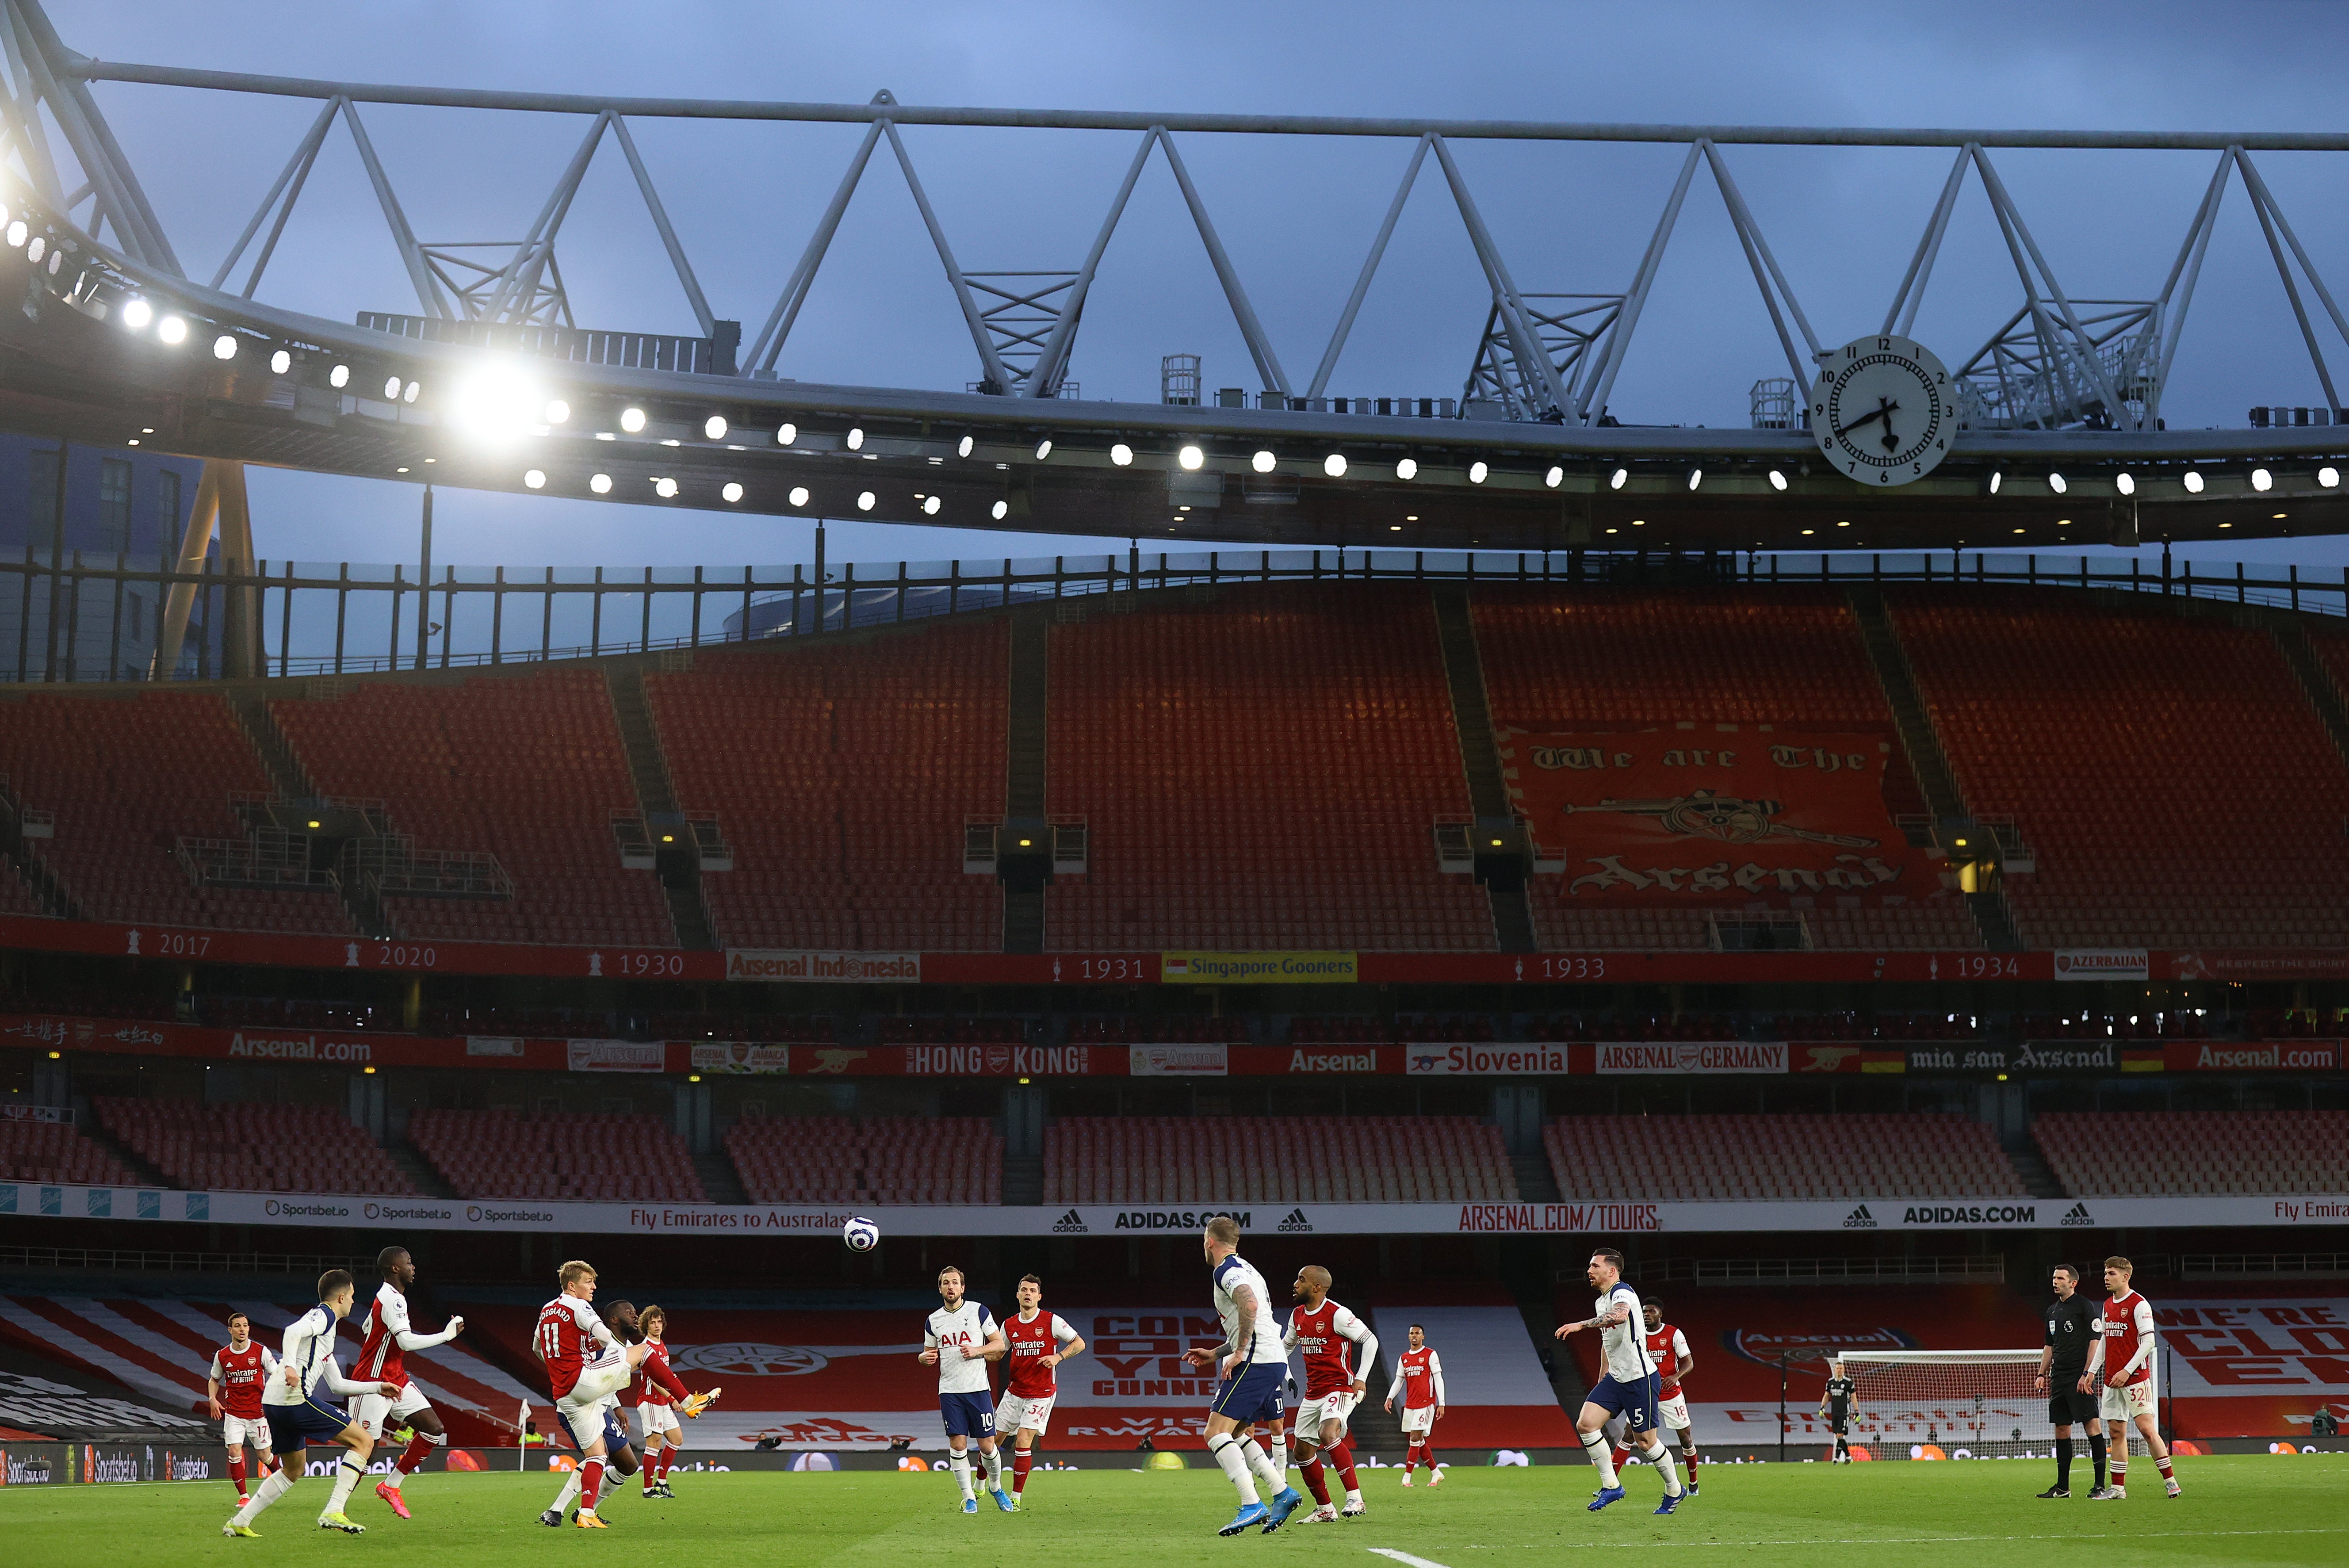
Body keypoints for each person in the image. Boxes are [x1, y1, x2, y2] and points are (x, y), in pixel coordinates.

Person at [221, 1269, 402, 1538]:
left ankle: (240, 1521)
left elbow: (337, 1385)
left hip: (273, 1402)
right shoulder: (325, 1315)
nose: (354, 1301)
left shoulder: (324, 1332)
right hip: (294, 1399)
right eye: (352, 1296)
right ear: (341, 1297)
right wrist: (291, 1367)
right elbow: (292, 1331)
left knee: (293, 1470)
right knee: (364, 1442)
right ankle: (334, 1509)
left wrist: (378, 1387)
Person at [1180, 1216, 1306, 1536]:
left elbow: (1248, 1304)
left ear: (1210, 1241)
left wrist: (1240, 1352)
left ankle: (1252, 1503)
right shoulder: (1250, 1269)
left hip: (1256, 1360)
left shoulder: (1225, 1270)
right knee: (1236, 1433)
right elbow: (1256, 1315)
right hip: (1271, 1359)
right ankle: (1282, 1491)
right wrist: (1218, 1352)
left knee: (1214, 1432)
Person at [1555, 1248, 1684, 1515]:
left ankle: (1675, 1489)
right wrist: (1604, 1371)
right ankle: (1612, 1486)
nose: (1589, 1271)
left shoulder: (1621, 1292)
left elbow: (1620, 1315)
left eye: (1594, 1266)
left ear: (1611, 1271)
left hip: (1641, 1379)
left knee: (1646, 1442)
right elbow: (1608, 1340)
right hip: (1616, 1378)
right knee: (1586, 1424)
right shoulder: (1600, 1301)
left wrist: (1580, 1325)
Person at [532, 1261, 658, 1528]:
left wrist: (617, 1406)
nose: (634, 1317)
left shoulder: (552, 1313)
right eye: (630, 1312)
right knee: (601, 1457)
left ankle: (572, 1511)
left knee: (620, 1463)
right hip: (582, 1401)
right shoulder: (592, 1333)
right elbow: (595, 1375)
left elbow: (600, 1378)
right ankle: (572, 1510)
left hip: (591, 1400)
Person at [352, 1246, 465, 1519]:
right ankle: (335, 1507)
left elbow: (369, 1329)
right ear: (395, 1268)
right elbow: (405, 1341)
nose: (413, 1267)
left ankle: (390, 1486)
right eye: (409, 1263)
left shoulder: (389, 1298)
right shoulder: (393, 1299)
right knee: (365, 1453)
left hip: (396, 1379)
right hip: (371, 1383)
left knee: (433, 1428)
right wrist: (446, 1336)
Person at [1284, 1265, 1376, 1521]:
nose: (1295, 1284)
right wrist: (1287, 1376)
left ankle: (1355, 1499)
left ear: (1317, 1287)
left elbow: (1370, 1341)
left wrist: (1361, 1379)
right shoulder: (1297, 1316)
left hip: (1340, 1387)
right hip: (1313, 1392)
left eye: (1301, 1280)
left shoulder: (1337, 1314)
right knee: (1301, 1452)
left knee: (1328, 1432)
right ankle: (1325, 1509)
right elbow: (1284, 1348)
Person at [919, 1264, 1013, 1514]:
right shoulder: (933, 1321)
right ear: (940, 1289)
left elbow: (1000, 1345)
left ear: (963, 1288)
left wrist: (977, 1351)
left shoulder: (978, 1311)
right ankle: (969, 1498)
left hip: (978, 1389)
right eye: (946, 1283)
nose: (951, 1287)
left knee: (987, 1446)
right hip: (950, 1391)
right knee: (958, 1445)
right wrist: (923, 1358)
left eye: (954, 1283)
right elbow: (928, 1353)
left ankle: (996, 1487)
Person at [2086, 1255, 2179, 1500]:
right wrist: (2092, 1371)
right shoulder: (2107, 1305)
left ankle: (2170, 1481)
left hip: (2135, 1377)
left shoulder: (2139, 1304)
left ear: (2126, 1276)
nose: (2106, 1278)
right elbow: (2105, 1341)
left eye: (2112, 1273)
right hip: (2111, 1380)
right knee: (2116, 1432)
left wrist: (2127, 1370)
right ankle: (2118, 1488)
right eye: (2105, 1273)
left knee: (2147, 1430)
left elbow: (2149, 1341)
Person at [997, 1274, 1084, 1511]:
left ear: (1039, 1296)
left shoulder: (1051, 1321)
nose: (1028, 1293)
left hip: (1042, 1393)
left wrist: (1059, 1356)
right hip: (1014, 1392)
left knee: (1023, 1442)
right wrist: (974, 1353)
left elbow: (1079, 1343)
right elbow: (998, 1353)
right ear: (1017, 1295)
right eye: (1023, 1289)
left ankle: (1015, 1497)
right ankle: (980, 1487)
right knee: (992, 1443)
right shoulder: (1009, 1325)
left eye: (1032, 1290)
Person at [1611, 1304, 1699, 1496]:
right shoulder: (1638, 1334)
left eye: (1651, 1311)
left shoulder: (1673, 1333)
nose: (1647, 1315)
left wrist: (1675, 1377)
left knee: (1685, 1438)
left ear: (1661, 1313)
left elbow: (1689, 1362)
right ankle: (1610, 1483)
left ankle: (1694, 1484)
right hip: (1645, 1394)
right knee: (1628, 1435)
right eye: (1644, 1312)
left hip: (1671, 1394)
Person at [2034, 1263, 2104, 1498]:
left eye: (2060, 1278)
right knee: (2062, 1430)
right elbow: (2049, 1345)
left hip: (2079, 1376)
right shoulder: (2052, 1311)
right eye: (2054, 1278)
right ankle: (2063, 1487)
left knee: (2092, 1427)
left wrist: (2088, 1373)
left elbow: (2095, 1341)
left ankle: (2100, 1486)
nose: (2055, 1282)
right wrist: (2042, 1373)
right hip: (2059, 1378)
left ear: (2073, 1283)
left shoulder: (2084, 1306)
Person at [631, 1305, 710, 1499]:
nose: (657, 1326)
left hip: (662, 1402)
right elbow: (654, 1379)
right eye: (652, 1322)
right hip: (650, 1400)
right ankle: (648, 1489)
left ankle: (662, 1481)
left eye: (659, 1322)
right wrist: (673, 1398)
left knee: (676, 1439)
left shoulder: (661, 1345)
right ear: (645, 1326)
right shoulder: (646, 1348)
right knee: (655, 1443)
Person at [207, 1311, 279, 1510]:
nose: (242, 1329)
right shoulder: (223, 1356)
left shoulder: (261, 1351)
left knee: (264, 1456)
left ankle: (282, 1477)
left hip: (258, 1413)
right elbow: (214, 1380)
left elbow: (276, 1374)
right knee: (234, 1451)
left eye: (245, 1325)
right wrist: (213, 1399)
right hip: (234, 1413)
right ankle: (244, 1496)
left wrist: (271, 1397)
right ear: (230, 1330)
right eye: (238, 1326)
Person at [1388, 1323, 1445, 1488]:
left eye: (1417, 1333)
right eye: (1412, 1333)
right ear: (1409, 1336)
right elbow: (1399, 1380)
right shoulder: (1404, 1358)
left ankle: (1407, 1477)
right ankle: (1436, 1473)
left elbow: (1438, 1379)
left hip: (1426, 1404)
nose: (1414, 1336)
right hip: (1410, 1405)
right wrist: (1390, 1397)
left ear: (1423, 1336)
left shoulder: (1430, 1355)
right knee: (1418, 1440)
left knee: (1414, 1438)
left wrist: (1442, 1403)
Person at [1818, 1357, 1855, 1462]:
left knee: (1840, 1434)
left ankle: (1836, 1458)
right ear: (1835, 1370)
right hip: (1835, 1412)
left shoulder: (1848, 1383)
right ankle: (1848, 1457)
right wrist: (1822, 1407)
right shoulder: (1830, 1383)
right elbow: (1827, 1396)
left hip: (1845, 1412)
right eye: (1838, 1368)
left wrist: (1857, 1412)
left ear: (1844, 1370)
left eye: (1841, 1368)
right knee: (1838, 1436)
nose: (1839, 1370)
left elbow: (1854, 1397)